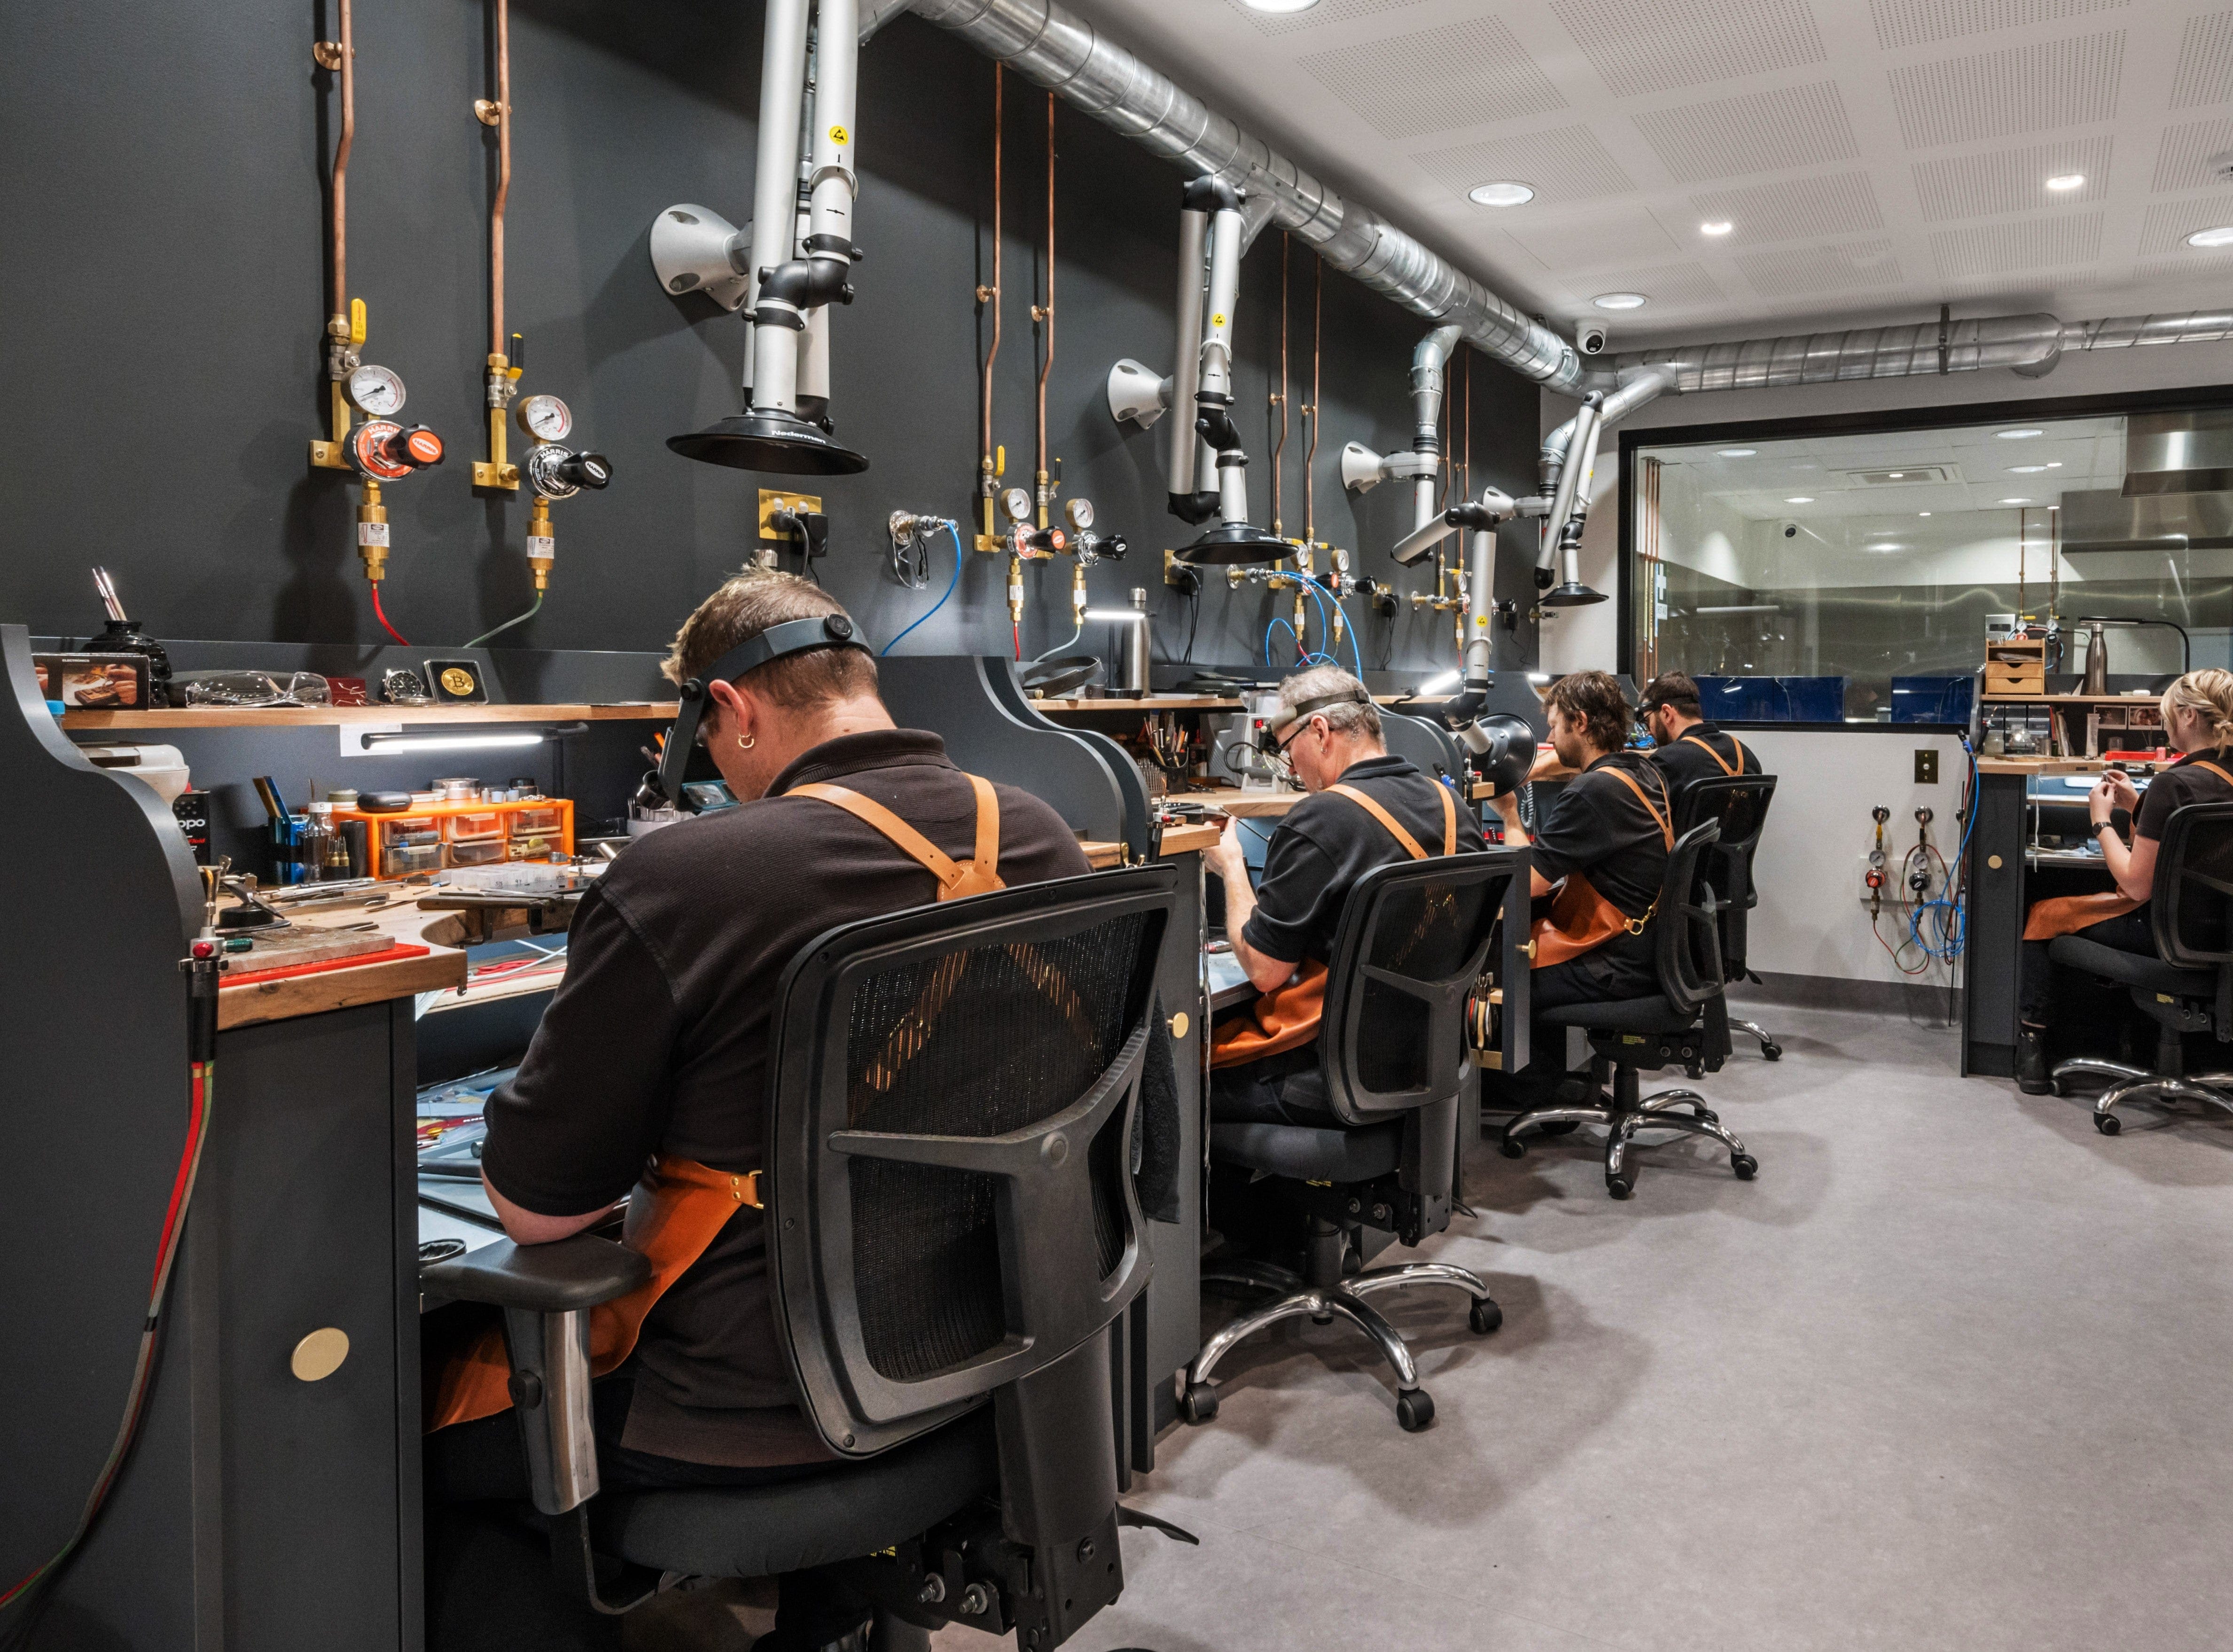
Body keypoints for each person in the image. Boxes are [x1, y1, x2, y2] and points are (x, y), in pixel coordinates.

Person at [425, 572, 1091, 1651]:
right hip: (976, 1347)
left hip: (739, 1408)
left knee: (408, 1442)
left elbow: (541, 1214)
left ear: (730, 708)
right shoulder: (1034, 831)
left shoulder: (686, 875)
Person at [1202, 665, 1484, 1125]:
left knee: (1173, 1076)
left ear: (1320, 731)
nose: (1291, 768)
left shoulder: (1323, 818)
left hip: (1326, 1075)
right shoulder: (1452, 807)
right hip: (1427, 1059)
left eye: (1289, 749)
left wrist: (1231, 867)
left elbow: (1265, 971)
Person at [2014, 669, 2233, 1094]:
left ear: (2188, 716)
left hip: (2165, 939)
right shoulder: (2204, 780)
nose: (2166, 723)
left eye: (2169, 714)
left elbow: (2137, 885)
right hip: (2223, 936)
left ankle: (2033, 1050)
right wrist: (2138, 804)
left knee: (2044, 914)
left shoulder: (2174, 783)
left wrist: (2100, 821)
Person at [1488, 670, 1674, 1018]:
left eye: (1555, 726)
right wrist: (1526, 771)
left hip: (1615, 965)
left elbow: (1522, 885)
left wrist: (1511, 816)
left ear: (1580, 722)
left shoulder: (1592, 793)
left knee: (1490, 975)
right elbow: (1568, 761)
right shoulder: (1643, 772)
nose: (1549, 736)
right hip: (1649, 950)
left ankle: (1528, 1074)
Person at [1640, 671, 1761, 798]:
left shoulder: (1665, 761)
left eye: (1648, 721)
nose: (1649, 731)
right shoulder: (1746, 755)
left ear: (1667, 714)